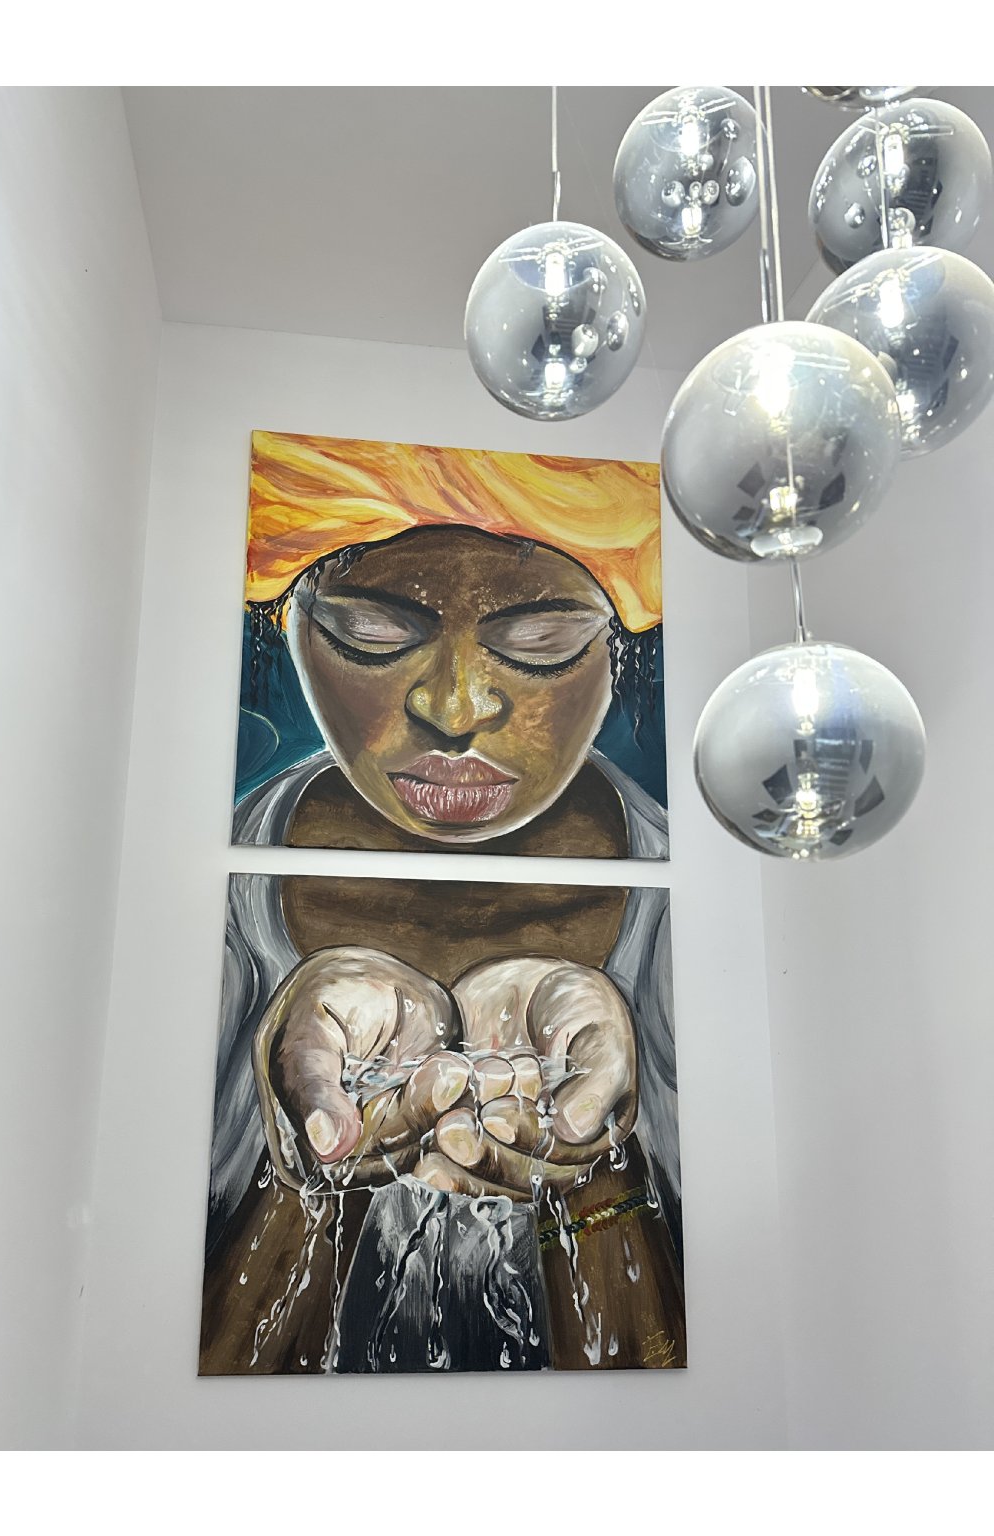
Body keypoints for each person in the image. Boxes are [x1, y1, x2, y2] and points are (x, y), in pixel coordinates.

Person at [199, 433, 684, 1373]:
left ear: (618, 645)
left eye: (542, 644)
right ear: (292, 624)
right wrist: (315, 1154)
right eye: (372, 636)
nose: (456, 712)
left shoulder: (685, 925)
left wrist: (589, 1165)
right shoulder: (213, 912)